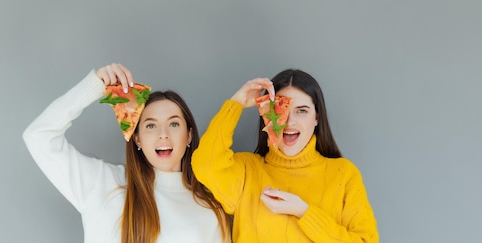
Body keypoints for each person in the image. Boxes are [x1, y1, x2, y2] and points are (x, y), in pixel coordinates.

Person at [23, 63, 230, 243]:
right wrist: (95, 86)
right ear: (137, 138)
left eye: (174, 124)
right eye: (151, 126)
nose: (163, 134)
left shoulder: (210, 209)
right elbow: (38, 136)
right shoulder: (102, 183)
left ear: (189, 136)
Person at [192, 69, 378, 242]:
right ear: (266, 115)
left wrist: (304, 212)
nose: (290, 121)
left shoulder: (344, 174)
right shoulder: (246, 171)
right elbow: (205, 164)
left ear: (317, 118)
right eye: (281, 110)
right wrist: (236, 104)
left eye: (302, 111)